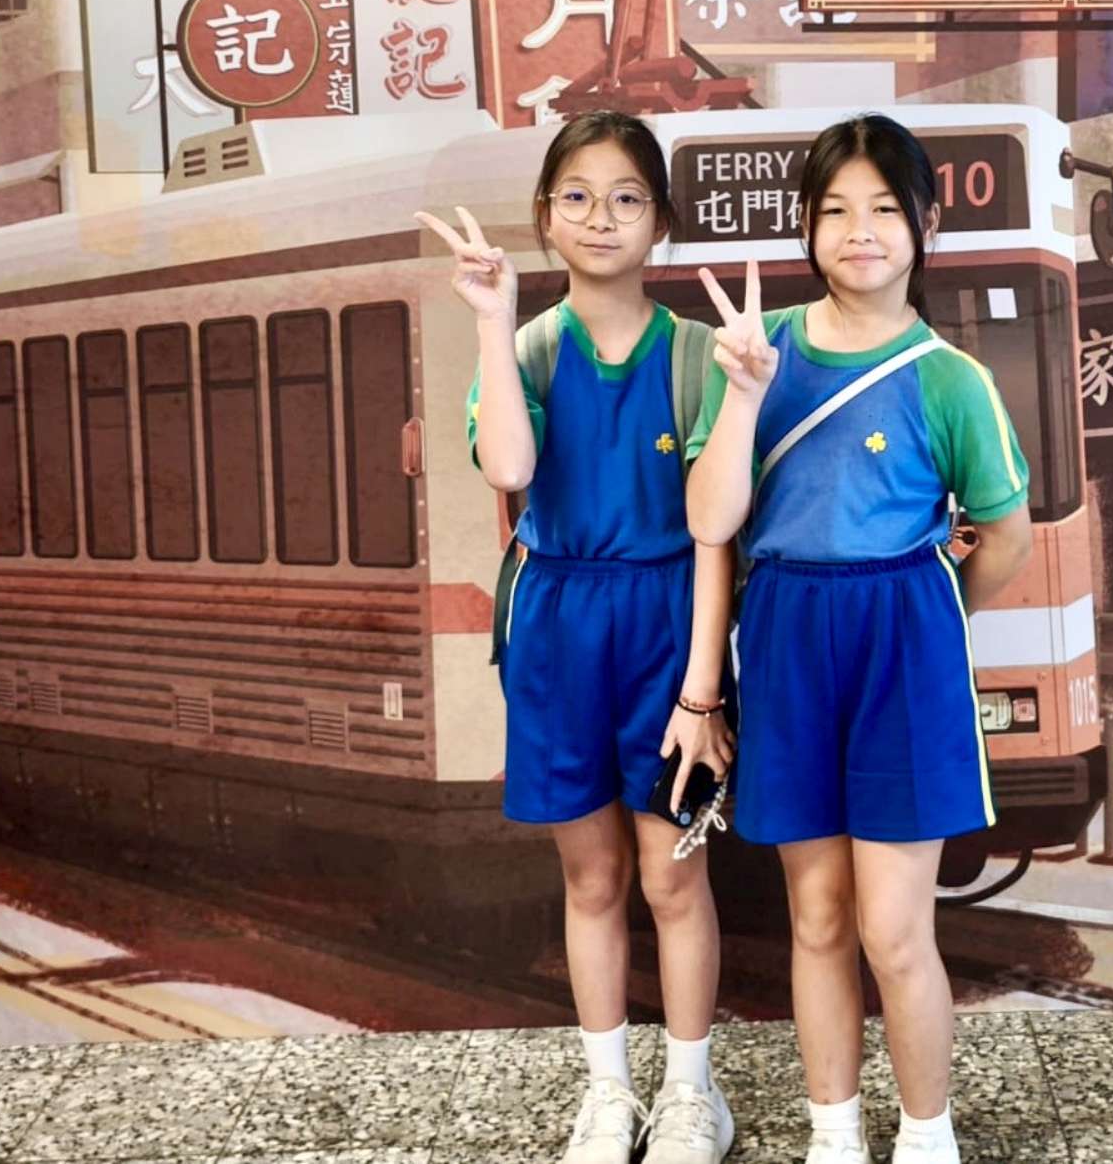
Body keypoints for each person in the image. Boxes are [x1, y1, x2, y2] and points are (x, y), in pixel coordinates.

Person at [684, 113, 1033, 1164]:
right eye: (835, 209)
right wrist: (743, 392)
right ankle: (834, 1132)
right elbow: (710, 518)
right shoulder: (758, 351)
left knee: (893, 927)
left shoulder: (950, 377)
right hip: (787, 635)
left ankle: (927, 1134)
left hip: (904, 644)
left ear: (926, 225)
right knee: (819, 915)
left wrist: (928, 620)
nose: (860, 230)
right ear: (806, 225)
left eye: (885, 207)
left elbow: (1005, 534)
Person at [417, 111, 737, 1164]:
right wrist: (490, 318)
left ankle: (690, 1094)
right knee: (591, 877)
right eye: (578, 196)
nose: (602, 217)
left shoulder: (698, 355)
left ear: (662, 222)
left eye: (628, 196)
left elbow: (714, 532)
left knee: (672, 876)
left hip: (668, 623)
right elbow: (509, 470)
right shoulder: (527, 348)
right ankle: (608, 1092)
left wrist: (702, 689)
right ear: (546, 217)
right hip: (556, 625)